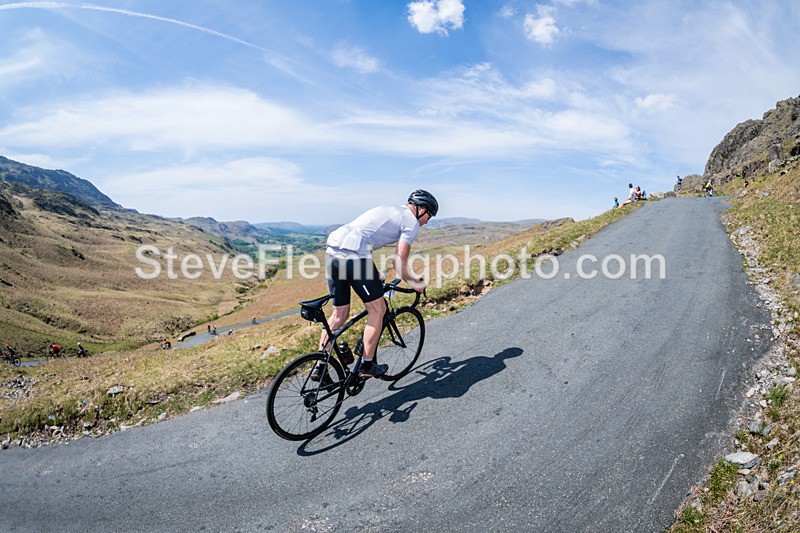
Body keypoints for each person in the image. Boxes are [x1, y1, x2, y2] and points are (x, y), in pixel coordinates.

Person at [314, 189, 437, 380]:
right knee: (377, 310)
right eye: (428, 215)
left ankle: (319, 366)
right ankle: (367, 364)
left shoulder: (391, 210)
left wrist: (375, 272)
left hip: (333, 254)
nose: (426, 222)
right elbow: (399, 262)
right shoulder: (411, 222)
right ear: (421, 209)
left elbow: (365, 237)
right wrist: (415, 284)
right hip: (354, 258)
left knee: (339, 314)